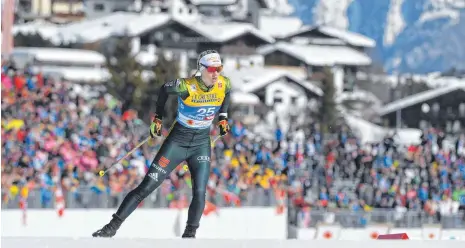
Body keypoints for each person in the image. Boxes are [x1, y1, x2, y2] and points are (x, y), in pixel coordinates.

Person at [92, 50, 231, 238]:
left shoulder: (223, 83)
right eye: (212, 69)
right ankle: (111, 227)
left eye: (219, 69)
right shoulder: (186, 86)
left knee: (200, 191)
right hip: (178, 142)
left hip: (201, 144)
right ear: (202, 69)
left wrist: (223, 117)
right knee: (147, 186)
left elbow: (226, 94)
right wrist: (157, 118)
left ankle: (189, 235)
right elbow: (165, 89)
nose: (216, 73)